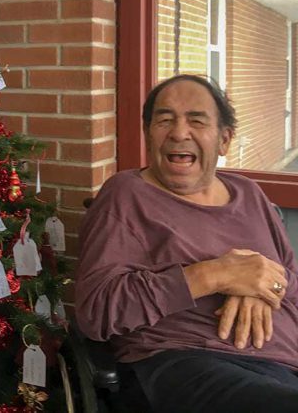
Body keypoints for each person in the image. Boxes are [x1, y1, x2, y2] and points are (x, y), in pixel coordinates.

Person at [75, 74, 298, 413]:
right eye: (165, 120)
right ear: (149, 133)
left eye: (196, 120)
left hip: (283, 365)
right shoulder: (125, 195)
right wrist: (214, 275)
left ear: (224, 139)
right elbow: (96, 311)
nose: (179, 133)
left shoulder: (249, 194)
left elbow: (290, 283)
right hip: (182, 362)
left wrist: (261, 285)